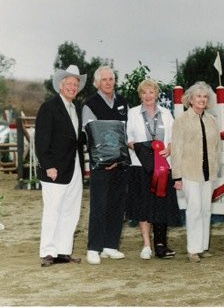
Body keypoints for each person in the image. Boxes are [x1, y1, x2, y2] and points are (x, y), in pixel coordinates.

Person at [35, 65, 87, 267]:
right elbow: (41, 141)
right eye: (69, 84)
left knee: (71, 210)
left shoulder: (77, 109)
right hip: (55, 170)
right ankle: (47, 252)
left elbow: (77, 139)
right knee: (53, 210)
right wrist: (48, 165)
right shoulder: (49, 108)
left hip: (74, 168)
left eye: (76, 84)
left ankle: (63, 251)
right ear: (60, 85)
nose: (73, 87)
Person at [126, 79, 181, 260]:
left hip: (163, 166)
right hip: (140, 167)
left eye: (151, 92)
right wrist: (142, 149)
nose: (148, 96)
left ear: (156, 94)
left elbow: (174, 137)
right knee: (144, 205)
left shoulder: (166, 113)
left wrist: (169, 149)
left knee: (161, 205)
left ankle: (160, 245)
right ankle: (146, 245)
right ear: (140, 95)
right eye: (144, 93)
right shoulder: (132, 113)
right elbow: (128, 138)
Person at [82, 66, 129, 265]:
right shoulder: (89, 104)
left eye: (111, 79)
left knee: (117, 204)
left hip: (120, 163)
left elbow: (125, 133)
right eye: (104, 80)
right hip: (100, 164)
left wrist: (118, 159)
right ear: (97, 83)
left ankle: (110, 245)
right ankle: (94, 248)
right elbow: (90, 135)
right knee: (99, 205)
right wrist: (105, 160)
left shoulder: (122, 102)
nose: (108, 82)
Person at [171, 81, 221, 263]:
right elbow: (176, 149)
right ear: (190, 99)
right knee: (194, 210)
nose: (202, 99)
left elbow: (216, 148)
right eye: (198, 96)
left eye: (205, 97)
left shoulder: (212, 120)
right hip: (189, 172)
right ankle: (192, 249)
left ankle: (203, 246)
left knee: (206, 209)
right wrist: (176, 175)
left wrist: (216, 169)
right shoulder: (181, 120)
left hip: (209, 173)